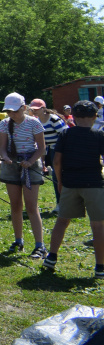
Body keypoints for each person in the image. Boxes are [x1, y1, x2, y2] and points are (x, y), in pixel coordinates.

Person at [42, 100, 104, 279]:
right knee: (98, 226)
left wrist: (60, 182)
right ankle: (100, 267)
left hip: (70, 183)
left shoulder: (65, 135)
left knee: (62, 221)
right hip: (93, 184)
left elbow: (56, 161)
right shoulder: (99, 135)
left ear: (74, 117)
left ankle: (51, 258)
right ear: (94, 117)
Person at [0, 92, 48, 258]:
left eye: (15, 111)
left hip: (31, 164)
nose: (12, 114)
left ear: (24, 108)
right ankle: (18, 240)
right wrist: (4, 157)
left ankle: (39, 246)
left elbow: (41, 148)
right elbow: (2, 147)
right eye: (9, 112)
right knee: (15, 205)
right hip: (11, 165)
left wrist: (31, 161)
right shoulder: (4, 124)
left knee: (31, 206)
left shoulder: (34, 123)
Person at [29, 98, 68, 213]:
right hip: (50, 149)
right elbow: (41, 143)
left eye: (37, 109)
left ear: (43, 108)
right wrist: (43, 161)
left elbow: (65, 136)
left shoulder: (54, 120)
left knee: (58, 177)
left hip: (60, 150)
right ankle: (60, 204)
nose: (34, 111)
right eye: (33, 109)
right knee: (55, 178)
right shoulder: (37, 121)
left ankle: (63, 204)